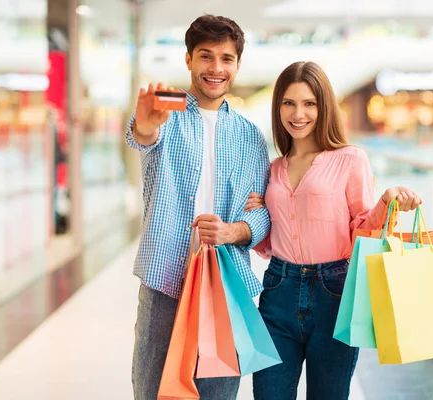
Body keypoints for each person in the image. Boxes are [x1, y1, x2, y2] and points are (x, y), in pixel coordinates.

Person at [244, 61, 422, 400]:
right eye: (289, 103)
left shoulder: (350, 159)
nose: (299, 114)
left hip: (335, 293)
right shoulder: (273, 168)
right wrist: (258, 215)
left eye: (309, 103)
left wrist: (387, 202)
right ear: (278, 107)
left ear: (323, 106)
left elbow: (360, 233)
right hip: (278, 289)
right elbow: (267, 246)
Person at [125, 15, 271, 400]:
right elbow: (142, 136)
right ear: (189, 59)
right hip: (164, 277)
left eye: (226, 58)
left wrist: (235, 230)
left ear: (237, 64)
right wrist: (145, 123)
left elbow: (261, 212)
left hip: (226, 282)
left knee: (219, 391)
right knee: (153, 389)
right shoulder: (166, 116)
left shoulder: (250, 137)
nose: (216, 68)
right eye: (206, 56)